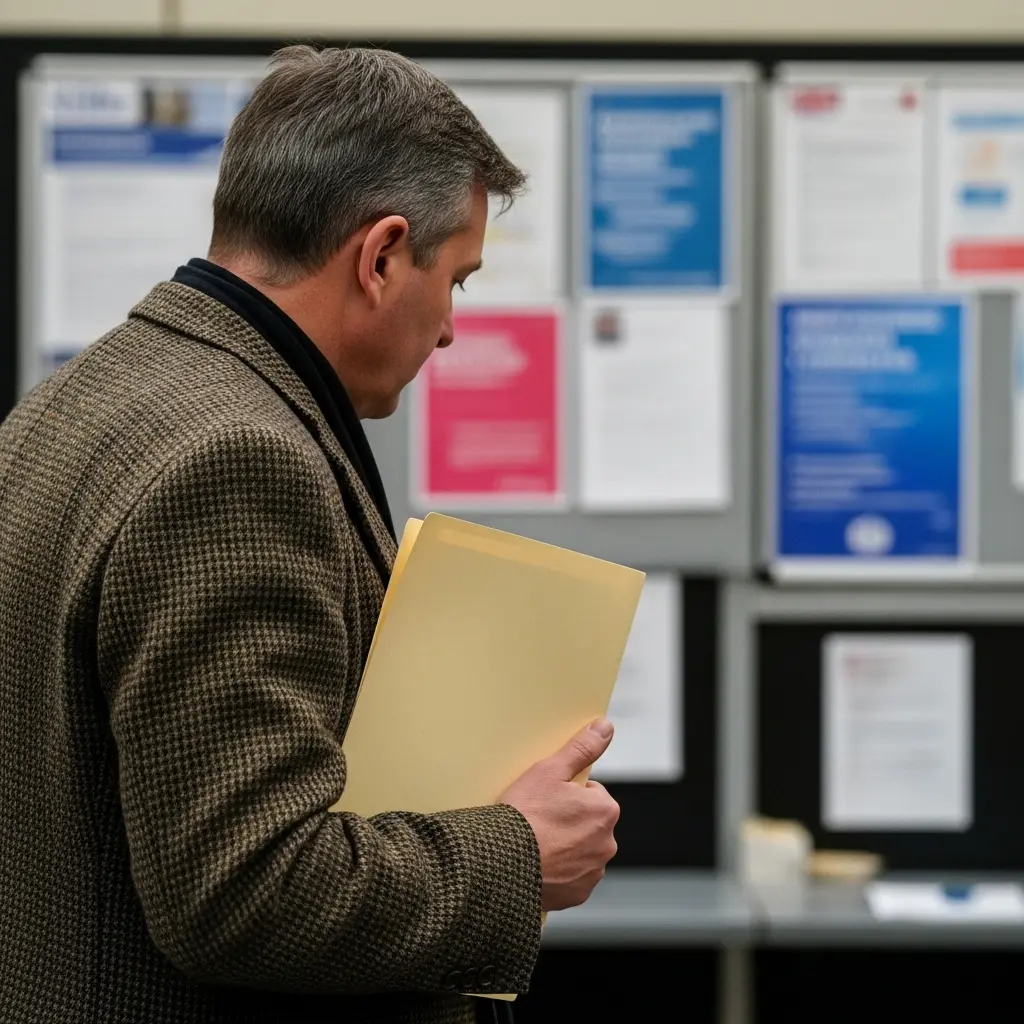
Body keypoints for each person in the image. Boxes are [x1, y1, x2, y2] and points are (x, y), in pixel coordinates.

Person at [0, 44, 620, 1024]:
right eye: (456, 280)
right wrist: (516, 851)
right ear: (379, 258)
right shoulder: (238, 460)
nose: (452, 330)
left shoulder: (77, 401)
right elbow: (246, 890)